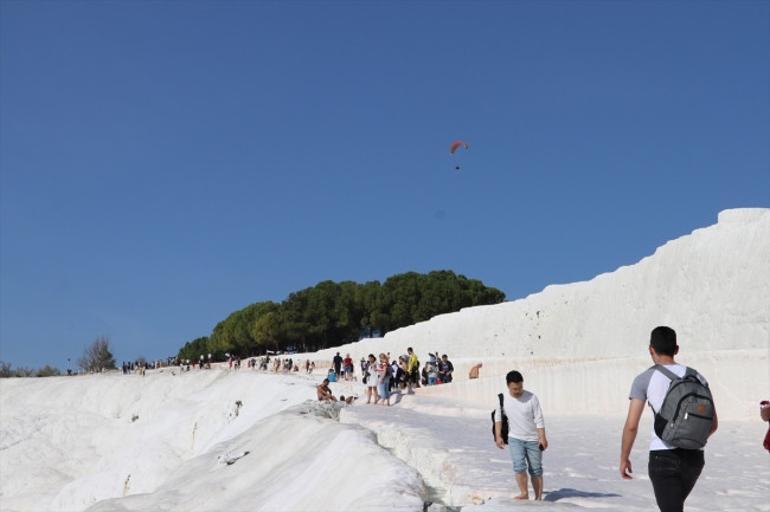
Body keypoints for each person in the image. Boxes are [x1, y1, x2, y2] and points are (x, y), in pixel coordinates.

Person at [620, 326, 718, 512]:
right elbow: (713, 424)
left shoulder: (644, 379)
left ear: (651, 349)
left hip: (663, 456)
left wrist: (624, 458)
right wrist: (691, 438)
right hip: (695, 458)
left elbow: (631, 426)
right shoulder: (697, 377)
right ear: (676, 349)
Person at [494, 370, 547, 501]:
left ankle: (538, 497)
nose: (518, 391)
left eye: (520, 387)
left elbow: (539, 419)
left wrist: (542, 437)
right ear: (508, 386)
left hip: (533, 439)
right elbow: (498, 418)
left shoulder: (532, 397)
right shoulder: (502, 398)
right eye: (514, 389)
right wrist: (498, 436)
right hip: (515, 438)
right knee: (519, 466)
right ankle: (524, 493)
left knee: (536, 470)